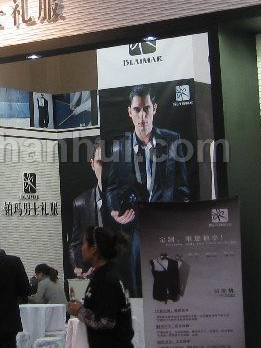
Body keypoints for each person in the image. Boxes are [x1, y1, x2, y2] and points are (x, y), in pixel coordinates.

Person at [105, 85, 190, 297]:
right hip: (135, 227)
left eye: (146, 109)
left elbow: (182, 188)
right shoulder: (120, 148)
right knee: (137, 286)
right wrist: (115, 211)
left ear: (155, 109)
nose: (142, 115)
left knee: (169, 288)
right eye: (137, 110)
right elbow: (112, 188)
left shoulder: (172, 140)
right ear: (129, 112)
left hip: (165, 225)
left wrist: (179, 220)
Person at [68, 226, 133, 348]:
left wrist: (79, 311)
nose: (81, 248)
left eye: (84, 243)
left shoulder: (106, 279)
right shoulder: (105, 273)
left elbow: (105, 321)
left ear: (94, 248)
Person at [69, 138, 111, 274]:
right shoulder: (81, 203)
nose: (104, 168)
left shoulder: (129, 199)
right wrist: (78, 267)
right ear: (92, 164)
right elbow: (75, 243)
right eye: (100, 162)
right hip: (94, 272)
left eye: (109, 163)